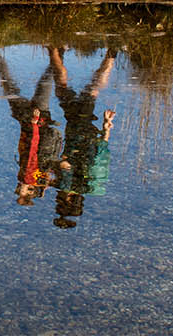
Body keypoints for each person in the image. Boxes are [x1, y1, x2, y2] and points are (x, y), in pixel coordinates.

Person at [48, 46, 116, 228]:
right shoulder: (66, 184)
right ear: (68, 200)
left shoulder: (87, 186)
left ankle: (111, 56)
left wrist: (106, 127)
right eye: (59, 204)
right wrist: (50, 170)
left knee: (90, 92)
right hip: (77, 128)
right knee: (68, 89)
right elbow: (65, 163)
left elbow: (102, 150)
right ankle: (53, 48)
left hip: (90, 132)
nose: (56, 201)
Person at [0, 50, 64, 206]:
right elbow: (32, 149)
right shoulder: (30, 176)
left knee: (44, 82)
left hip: (38, 120)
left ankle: (59, 51)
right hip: (32, 121)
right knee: (11, 86)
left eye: (20, 191)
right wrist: (34, 123)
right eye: (24, 191)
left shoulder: (38, 178)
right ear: (30, 190)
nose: (21, 188)